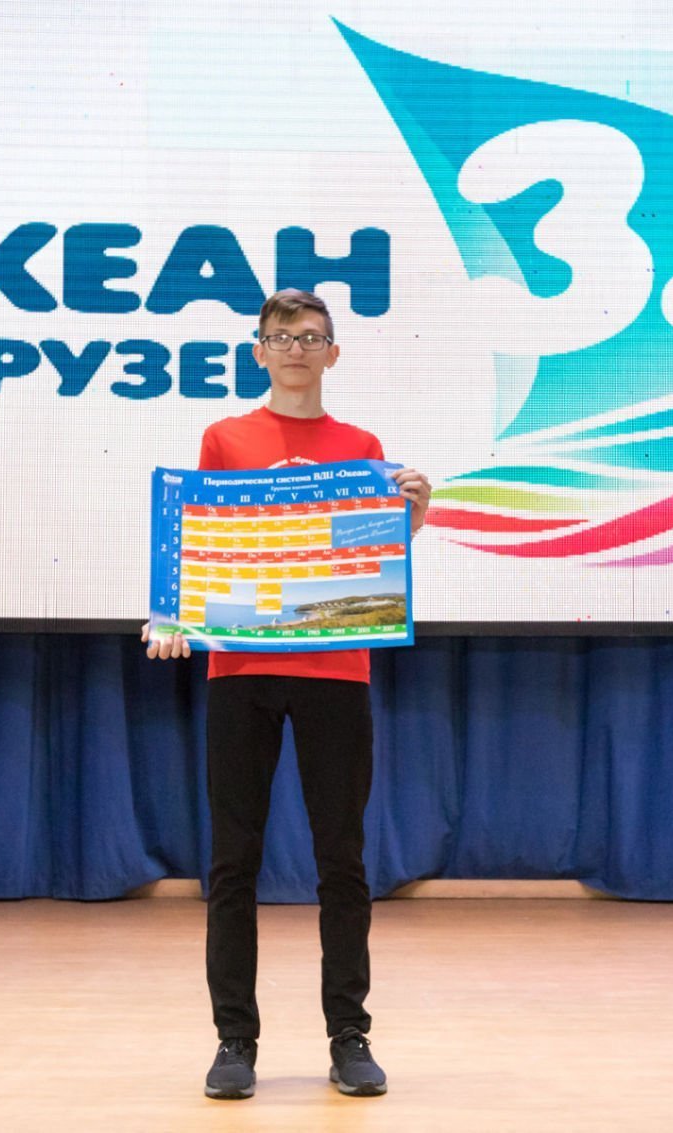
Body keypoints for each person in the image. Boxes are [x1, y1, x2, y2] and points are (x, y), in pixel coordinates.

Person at [141, 288, 432, 1100]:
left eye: (310, 336)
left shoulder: (362, 446)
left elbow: (368, 556)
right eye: (280, 336)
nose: (295, 348)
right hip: (241, 671)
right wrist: (170, 610)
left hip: (338, 671)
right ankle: (235, 1038)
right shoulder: (225, 438)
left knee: (343, 859)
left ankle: (350, 1034)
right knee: (233, 860)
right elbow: (198, 541)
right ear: (258, 351)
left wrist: (413, 515)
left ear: (333, 353)